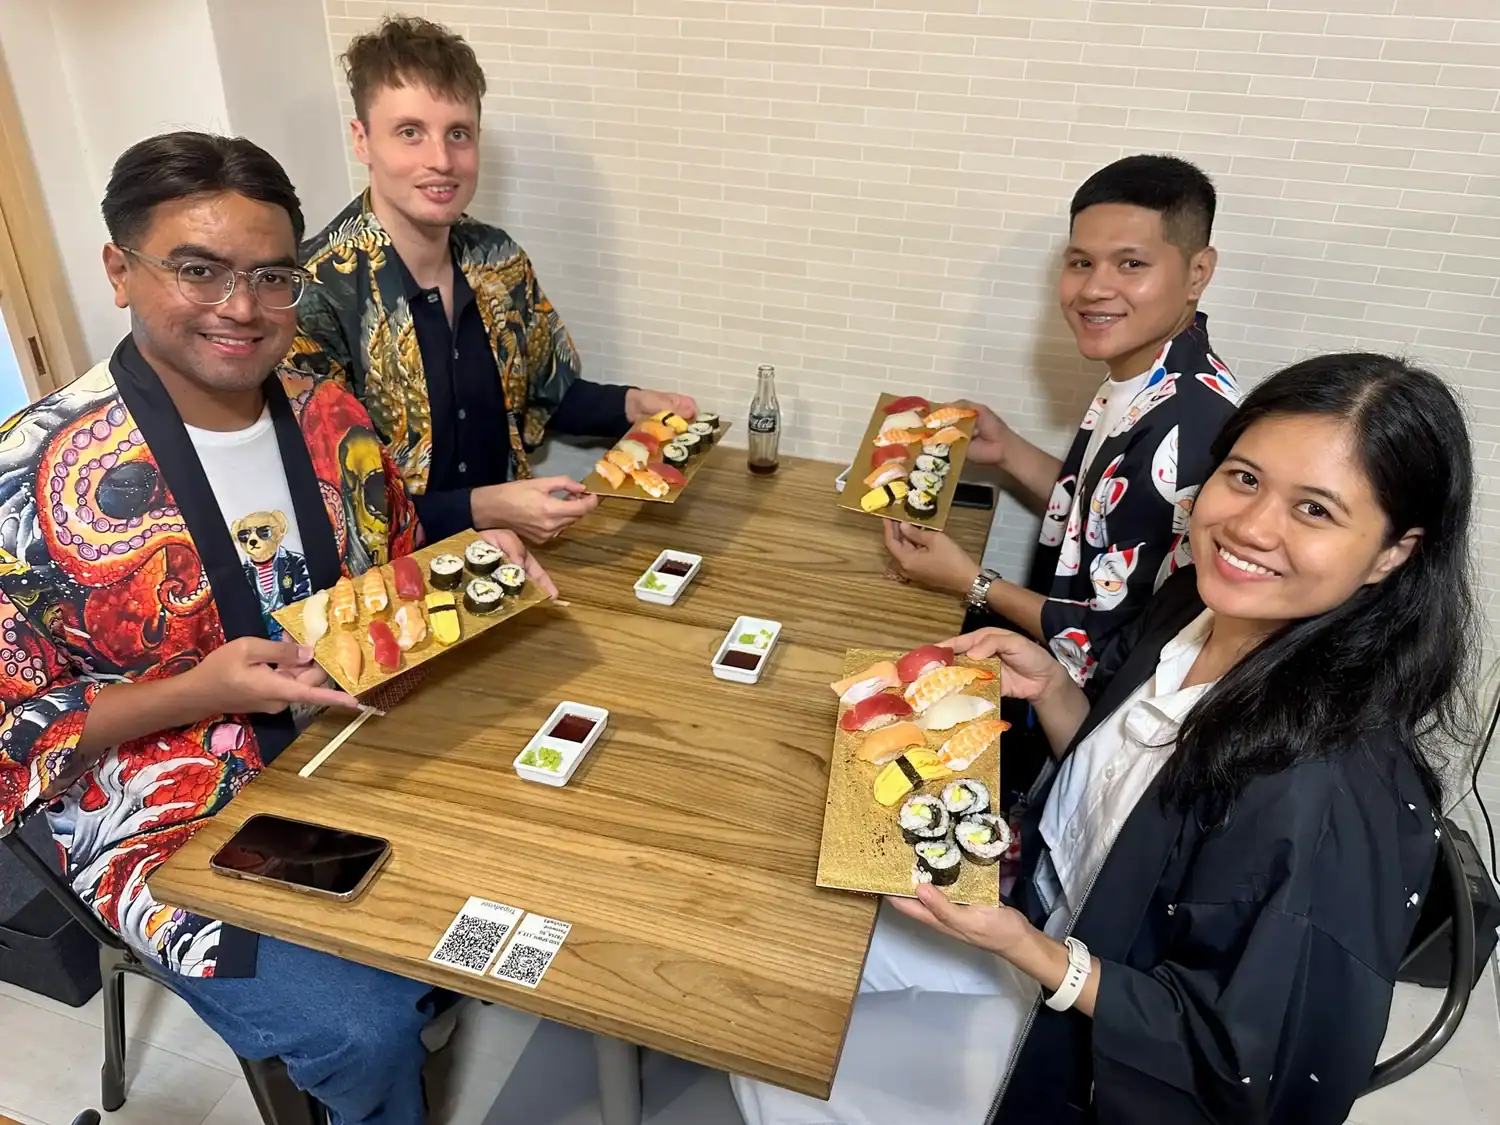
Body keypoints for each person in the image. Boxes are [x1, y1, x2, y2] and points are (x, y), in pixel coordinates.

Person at [736, 353, 1476, 1125]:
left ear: (1394, 552)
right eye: (1245, 477)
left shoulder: (1320, 789)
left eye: (1316, 510)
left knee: (774, 1055)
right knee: (780, 943)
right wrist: (1056, 690)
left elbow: (1242, 1066)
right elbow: (1126, 805)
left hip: (1079, 1042)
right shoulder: (1198, 598)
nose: (1251, 528)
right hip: (1032, 907)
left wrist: (1028, 949)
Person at [0, 132, 550, 1124]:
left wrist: (475, 552)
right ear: (119, 269)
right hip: (167, 809)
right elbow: (11, 729)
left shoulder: (325, 406)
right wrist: (200, 694)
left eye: (271, 277)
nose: (242, 309)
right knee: (361, 1025)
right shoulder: (25, 478)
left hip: (357, 731)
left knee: (543, 840)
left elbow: (389, 550)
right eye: (198, 270)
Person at [292, 14, 697, 544]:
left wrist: (629, 404)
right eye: (410, 133)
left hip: (514, 565)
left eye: (458, 134)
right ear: (362, 140)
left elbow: (543, 393)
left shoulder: (496, 255)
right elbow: (330, 503)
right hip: (388, 592)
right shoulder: (312, 291)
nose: (441, 160)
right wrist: (484, 508)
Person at [883, 154, 1242, 693]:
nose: (1095, 289)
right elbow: (1107, 512)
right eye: (1081, 263)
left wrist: (972, 582)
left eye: (1131, 265)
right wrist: (1009, 451)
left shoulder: (1185, 430)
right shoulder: (1157, 373)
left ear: (1198, 273)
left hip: (1088, 711)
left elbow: (1114, 644)